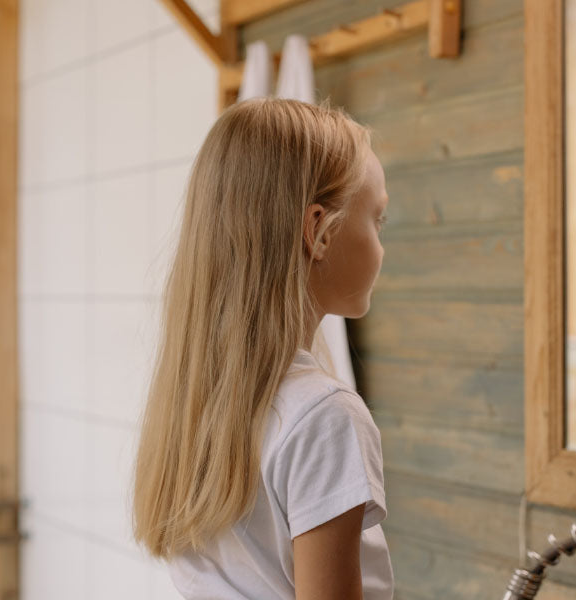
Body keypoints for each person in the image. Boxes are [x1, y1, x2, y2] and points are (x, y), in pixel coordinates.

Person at [132, 97, 393, 599]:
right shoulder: (326, 416)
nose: (381, 245)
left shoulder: (198, 395)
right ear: (319, 232)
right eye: (377, 221)